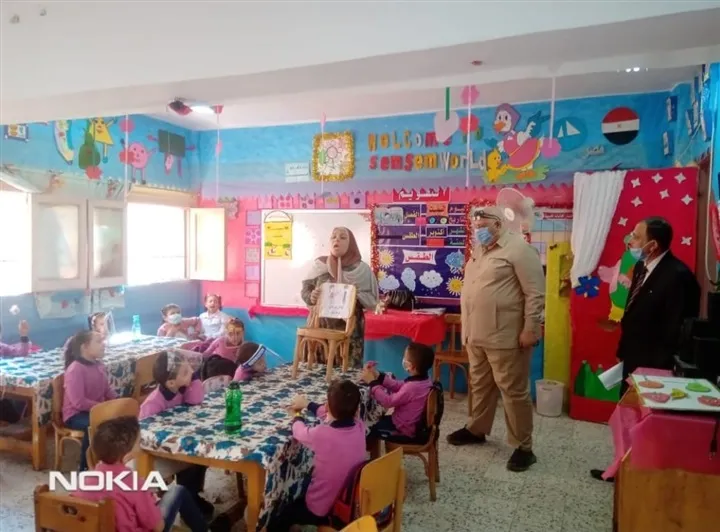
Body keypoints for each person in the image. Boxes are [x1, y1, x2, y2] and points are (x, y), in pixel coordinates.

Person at [590, 216, 700, 482]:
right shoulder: (641, 267)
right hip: (633, 355)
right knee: (626, 416)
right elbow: (634, 311)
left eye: (637, 237)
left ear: (653, 245)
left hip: (655, 365)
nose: (631, 240)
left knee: (646, 422)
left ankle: (640, 475)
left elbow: (676, 330)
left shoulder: (678, 277)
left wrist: (658, 366)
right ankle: (623, 466)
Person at [446, 206, 545, 473]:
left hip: (506, 335)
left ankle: (524, 446)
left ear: (498, 224)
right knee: (479, 385)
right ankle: (476, 429)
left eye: (482, 226)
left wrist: (531, 328)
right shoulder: (479, 251)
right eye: (475, 226)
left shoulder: (519, 250)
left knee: (513, 391)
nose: (478, 231)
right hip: (475, 334)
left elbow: (535, 293)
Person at [72, 416, 210, 532]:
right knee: (178, 491)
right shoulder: (133, 482)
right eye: (139, 442)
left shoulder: (85, 480)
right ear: (126, 457)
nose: (141, 444)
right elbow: (158, 527)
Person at [268, 380, 366, 532]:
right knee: (307, 477)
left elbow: (299, 432)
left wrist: (297, 416)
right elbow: (328, 414)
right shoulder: (360, 425)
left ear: (327, 406)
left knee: (280, 514)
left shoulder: (322, 433)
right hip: (350, 500)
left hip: (322, 508)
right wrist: (308, 404)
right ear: (357, 409)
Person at [138, 351, 214, 516]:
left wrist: (193, 377)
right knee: (194, 457)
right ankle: (187, 502)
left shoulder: (180, 389)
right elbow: (144, 437)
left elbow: (195, 400)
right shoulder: (152, 404)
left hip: (180, 443)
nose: (191, 371)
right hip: (158, 452)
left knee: (203, 452)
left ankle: (191, 495)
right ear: (171, 382)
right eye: (185, 372)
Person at [301, 227, 379, 368]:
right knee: (317, 370)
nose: (336, 240)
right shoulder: (320, 266)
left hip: (348, 330)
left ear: (351, 244)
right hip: (319, 327)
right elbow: (306, 291)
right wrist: (311, 296)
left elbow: (371, 300)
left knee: (345, 372)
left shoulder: (361, 270)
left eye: (343, 237)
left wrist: (354, 293)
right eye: (333, 237)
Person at [63, 330, 117, 471]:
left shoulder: (99, 365)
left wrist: (118, 403)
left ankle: (110, 465)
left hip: (95, 409)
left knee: (121, 419)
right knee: (96, 425)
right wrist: (103, 408)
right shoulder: (75, 369)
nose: (103, 344)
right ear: (85, 347)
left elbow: (107, 390)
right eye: (98, 341)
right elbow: (78, 402)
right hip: (75, 414)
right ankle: (85, 469)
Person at [361, 342, 434, 438]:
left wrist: (373, 383)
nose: (403, 360)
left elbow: (388, 402)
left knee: (367, 428)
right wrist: (377, 375)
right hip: (407, 424)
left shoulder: (412, 387)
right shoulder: (425, 380)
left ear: (411, 366)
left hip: (402, 429)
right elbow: (398, 385)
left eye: (405, 358)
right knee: (375, 422)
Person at [0, 320, 32, 424]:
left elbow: (22, 352)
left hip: (4, 389)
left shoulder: (2, 347)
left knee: (15, 416)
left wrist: (23, 335)